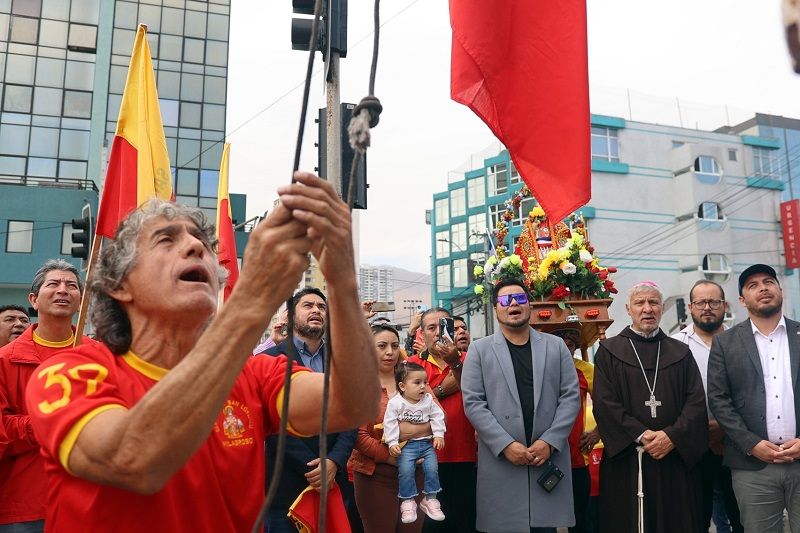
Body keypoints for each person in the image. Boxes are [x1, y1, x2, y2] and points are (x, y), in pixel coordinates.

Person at [23, 172, 379, 532]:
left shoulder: (255, 374)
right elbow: (134, 459)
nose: (195, 247)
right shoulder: (68, 374)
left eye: (203, 244)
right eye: (166, 240)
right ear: (120, 286)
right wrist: (252, 303)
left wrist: (343, 282)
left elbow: (355, 402)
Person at [461, 279, 580, 533]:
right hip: (502, 462)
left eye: (520, 298)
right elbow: (473, 403)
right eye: (505, 300)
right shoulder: (479, 351)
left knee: (545, 527)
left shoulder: (555, 346)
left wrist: (550, 441)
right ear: (496, 309)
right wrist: (505, 445)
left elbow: (570, 397)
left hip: (545, 458)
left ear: (530, 305)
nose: (513, 304)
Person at [593, 281, 708, 533]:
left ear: (661, 308)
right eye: (640, 303)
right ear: (628, 309)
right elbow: (604, 404)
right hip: (628, 460)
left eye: (653, 302)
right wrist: (642, 435)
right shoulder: (609, 352)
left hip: (674, 458)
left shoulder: (681, 352)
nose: (647, 309)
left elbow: (696, 403)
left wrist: (671, 436)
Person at [0, 260, 95, 533]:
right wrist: (54, 419)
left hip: (88, 500)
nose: (63, 290)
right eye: (53, 284)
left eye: (72, 286)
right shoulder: (5, 360)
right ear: (34, 300)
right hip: (25, 506)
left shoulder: (101, 357)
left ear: (81, 300)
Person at [707, 264, 800, 532]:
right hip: (752, 465)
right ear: (741, 300)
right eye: (753, 285)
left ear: (779, 290)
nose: (763, 288)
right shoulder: (726, 343)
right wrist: (751, 443)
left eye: (768, 281)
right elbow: (719, 399)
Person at [258, 288, 357, 533]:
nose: (316, 310)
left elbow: (352, 415)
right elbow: (271, 423)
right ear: (290, 316)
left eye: (321, 307)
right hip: (286, 482)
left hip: (334, 481)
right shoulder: (269, 359)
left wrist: (334, 460)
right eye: (308, 305)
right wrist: (314, 468)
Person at [672, 280, 742, 533]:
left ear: (724, 305)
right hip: (693, 446)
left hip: (737, 444)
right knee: (695, 518)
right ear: (690, 307)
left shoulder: (742, 340)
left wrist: (723, 428)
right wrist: (706, 433)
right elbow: (673, 398)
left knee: (741, 516)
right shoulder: (675, 345)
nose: (707, 307)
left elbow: (751, 391)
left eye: (714, 302)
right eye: (700, 302)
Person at [349, 323, 429, 533]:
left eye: (394, 345)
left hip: (415, 473)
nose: (390, 352)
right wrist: (389, 457)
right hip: (375, 475)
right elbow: (357, 434)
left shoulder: (413, 378)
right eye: (382, 346)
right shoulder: (358, 384)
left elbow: (439, 418)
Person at [408, 308, 477, 533]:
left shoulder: (470, 360)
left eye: (444, 326)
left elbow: (481, 395)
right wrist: (440, 390)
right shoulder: (410, 366)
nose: (438, 333)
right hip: (424, 462)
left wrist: (456, 364)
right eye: (431, 328)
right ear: (422, 334)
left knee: (465, 522)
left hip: (467, 457)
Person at [384, 361, 446, 524]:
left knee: (432, 468)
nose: (423, 387)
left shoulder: (427, 400)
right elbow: (389, 423)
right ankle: (408, 501)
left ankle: (430, 498)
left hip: (426, 445)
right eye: (417, 383)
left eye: (425, 382)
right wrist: (392, 442)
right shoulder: (395, 403)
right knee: (405, 471)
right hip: (407, 446)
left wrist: (439, 434)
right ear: (402, 386)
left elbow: (438, 415)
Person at [551, 327, 600, 533]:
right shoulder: (535, 367)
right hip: (541, 456)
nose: (567, 343)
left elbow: (609, 404)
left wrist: (598, 432)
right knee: (543, 519)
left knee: (580, 518)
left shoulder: (586, 370)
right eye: (561, 338)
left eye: (571, 340)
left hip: (576, 456)